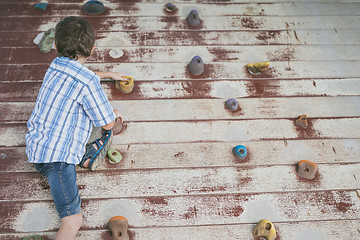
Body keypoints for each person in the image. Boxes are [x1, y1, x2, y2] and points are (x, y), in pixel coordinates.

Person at [25, 16, 126, 239]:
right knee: (73, 220)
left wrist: (108, 75)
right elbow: (106, 122)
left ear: (56, 45)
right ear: (92, 49)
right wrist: (114, 114)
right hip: (57, 159)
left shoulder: (55, 65)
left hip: (37, 145)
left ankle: (84, 155)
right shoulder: (88, 82)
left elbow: (81, 75)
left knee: (75, 109)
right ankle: (83, 155)